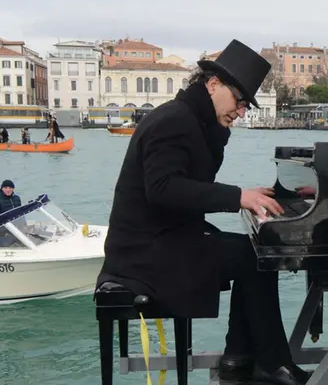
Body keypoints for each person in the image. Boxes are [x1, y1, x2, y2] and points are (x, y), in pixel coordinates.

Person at [96, 39, 312, 385]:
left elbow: (183, 185)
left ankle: (241, 358)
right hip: (144, 254)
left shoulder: (190, 120)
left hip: (158, 239)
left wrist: (245, 194)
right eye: (240, 100)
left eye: (245, 105)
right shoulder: (174, 121)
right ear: (213, 84)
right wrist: (238, 196)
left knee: (250, 253)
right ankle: (268, 363)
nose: (242, 111)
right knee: (253, 256)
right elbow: (164, 189)